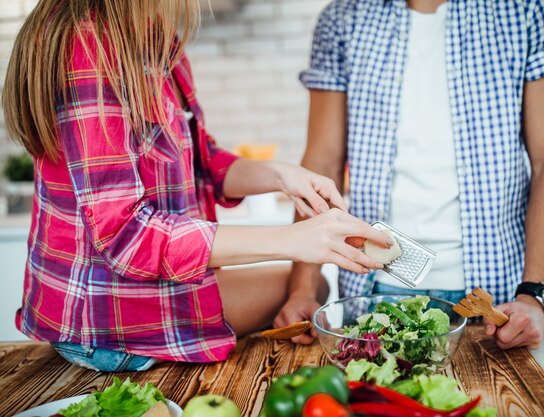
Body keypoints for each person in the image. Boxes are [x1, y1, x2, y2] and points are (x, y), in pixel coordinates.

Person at [1, 0, 394, 372]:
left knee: (310, 289)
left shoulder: (154, 35)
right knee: (311, 288)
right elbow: (125, 235)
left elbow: (199, 161)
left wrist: (281, 175)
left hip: (139, 293)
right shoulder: (86, 48)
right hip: (102, 325)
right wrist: (292, 239)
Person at [274, 0, 544, 349]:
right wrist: (303, 290)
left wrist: (535, 296)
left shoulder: (535, 8)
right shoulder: (342, 18)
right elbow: (322, 163)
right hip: (372, 291)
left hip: (493, 302)